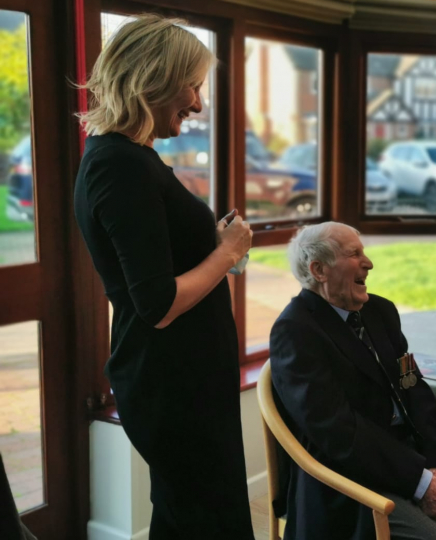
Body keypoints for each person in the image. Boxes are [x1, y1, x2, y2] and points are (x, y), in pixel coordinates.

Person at [74, 15, 254, 539]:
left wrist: (215, 248)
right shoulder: (118, 164)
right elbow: (157, 304)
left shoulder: (133, 157)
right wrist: (227, 251)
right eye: (192, 86)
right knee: (207, 522)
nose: (198, 103)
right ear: (151, 78)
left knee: (185, 520)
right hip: (172, 386)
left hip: (186, 379)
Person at [269, 222, 436, 540]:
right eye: (354, 254)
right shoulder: (295, 332)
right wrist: (420, 482)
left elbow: (412, 386)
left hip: (412, 456)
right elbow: (339, 434)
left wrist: (435, 463)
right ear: (319, 270)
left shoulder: (379, 311)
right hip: (348, 478)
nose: (369, 263)